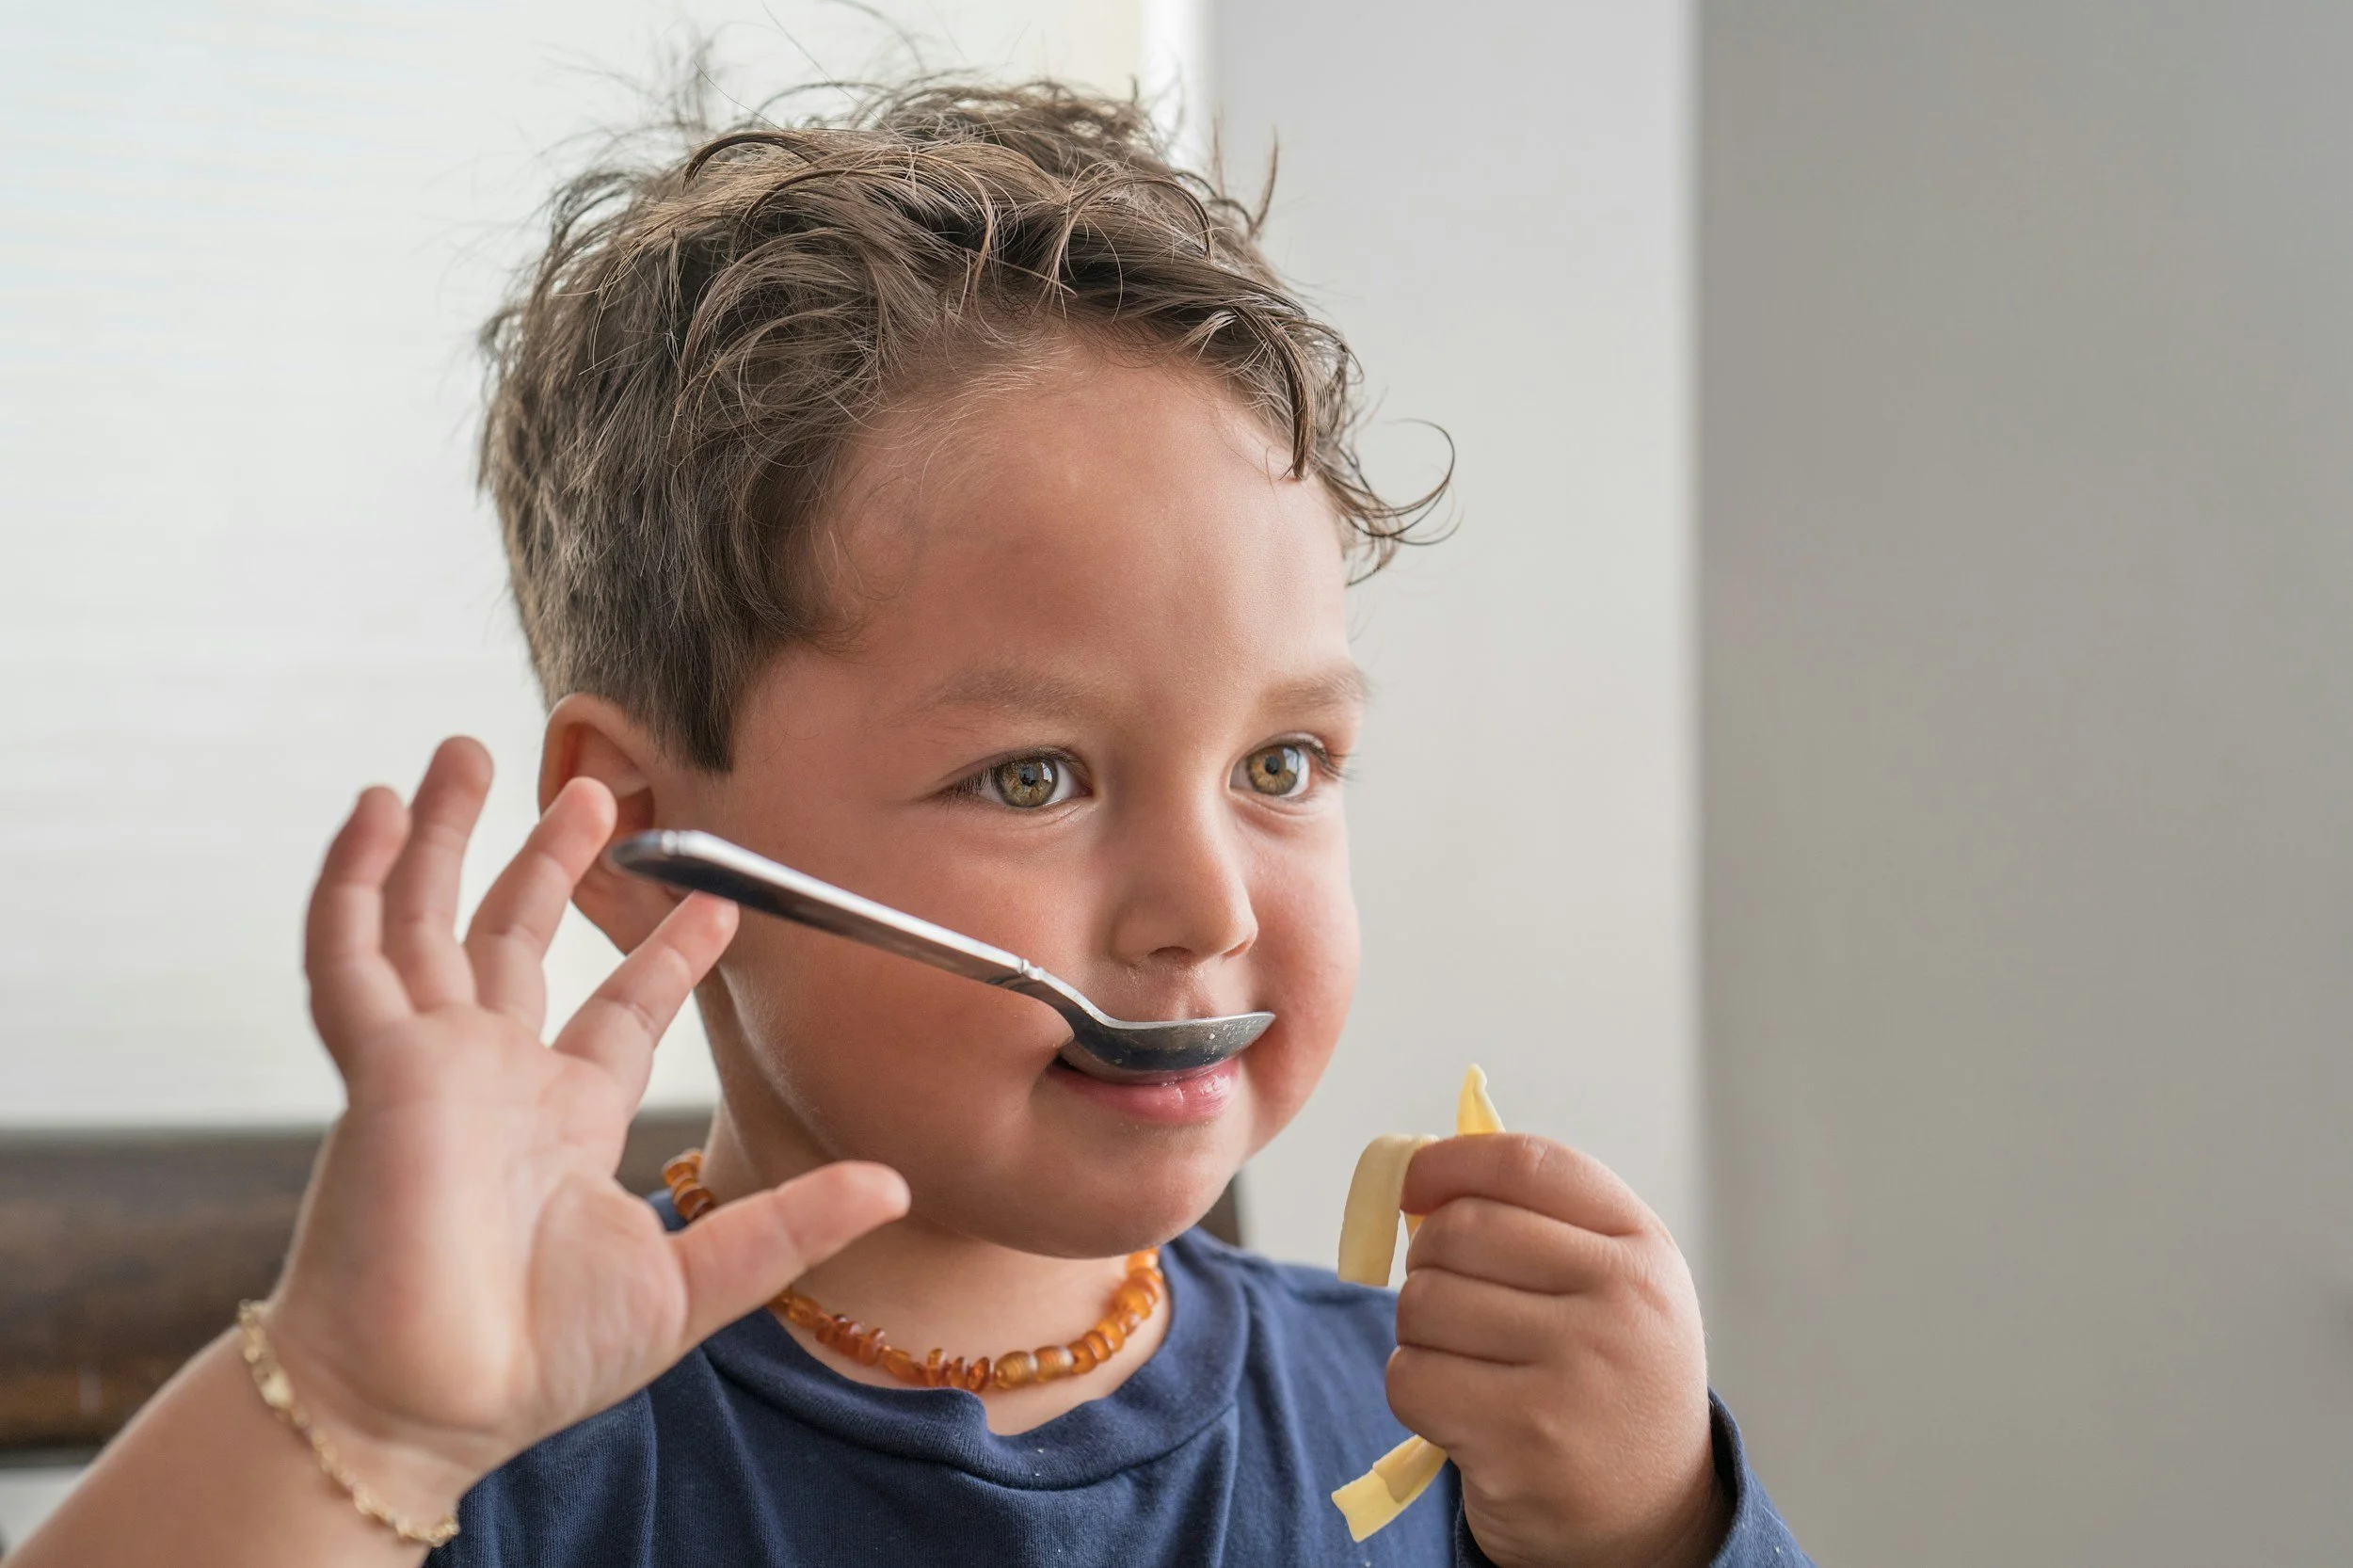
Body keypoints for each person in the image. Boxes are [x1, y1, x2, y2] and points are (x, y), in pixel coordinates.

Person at [13, 78, 1809, 1568]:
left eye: (1282, 767)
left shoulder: (1461, 1440)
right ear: (641, 837)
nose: (1205, 908)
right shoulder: (492, 1467)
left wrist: (1654, 1528)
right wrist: (354, 1415)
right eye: (1035, 776)